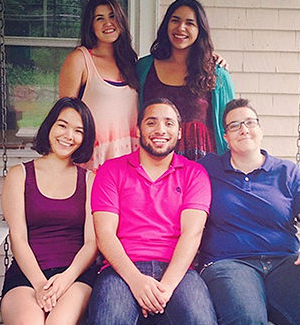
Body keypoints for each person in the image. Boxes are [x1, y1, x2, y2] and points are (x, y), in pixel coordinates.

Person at [198, 98, 300, 325]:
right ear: (225, 137)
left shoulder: (286, 171)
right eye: (234, 125)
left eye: (249, 122)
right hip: (229, 262)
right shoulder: (209, 168)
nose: (243, 129)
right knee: (247, 319)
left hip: (284, 262)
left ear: (260, 129)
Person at [88, 98, 217, 325]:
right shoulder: (111, 170)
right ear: (138, 130)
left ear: (178, 133)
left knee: (200, 320)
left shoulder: (194, 173)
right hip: (121, 269)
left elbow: (192, 234)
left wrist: (165, 288)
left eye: (169, 123)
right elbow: (105, 234)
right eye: (151, 123)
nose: (160, 130)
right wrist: (136, 280)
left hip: (177, 270)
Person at [0, 98, 98, 325]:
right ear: (50, 126)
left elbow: (91, 242)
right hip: (27, 275)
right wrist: (40, 285)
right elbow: (18, 238)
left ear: (85, 138)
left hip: (75, 277)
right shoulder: (19, 175)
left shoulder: (89, 180)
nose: (68, 136)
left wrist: (65, 279)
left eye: (78, 131)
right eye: (62, 125)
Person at [137, 0, 235, 161]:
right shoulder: (143, 68)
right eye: (175, 20)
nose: (181, 28)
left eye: (190, 23)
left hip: (202, 165)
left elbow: (229, 125)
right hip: (154, 161)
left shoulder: (217, 75)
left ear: (200, 30)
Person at [59, 0, 139, 171]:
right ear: (91, 26)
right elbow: (64, 116)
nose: (108, 23)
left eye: (112, 16)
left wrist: (210, 58)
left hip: (131, 158)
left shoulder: (132, 62)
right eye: (99, 18)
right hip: (94, 159)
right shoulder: (80, 59)